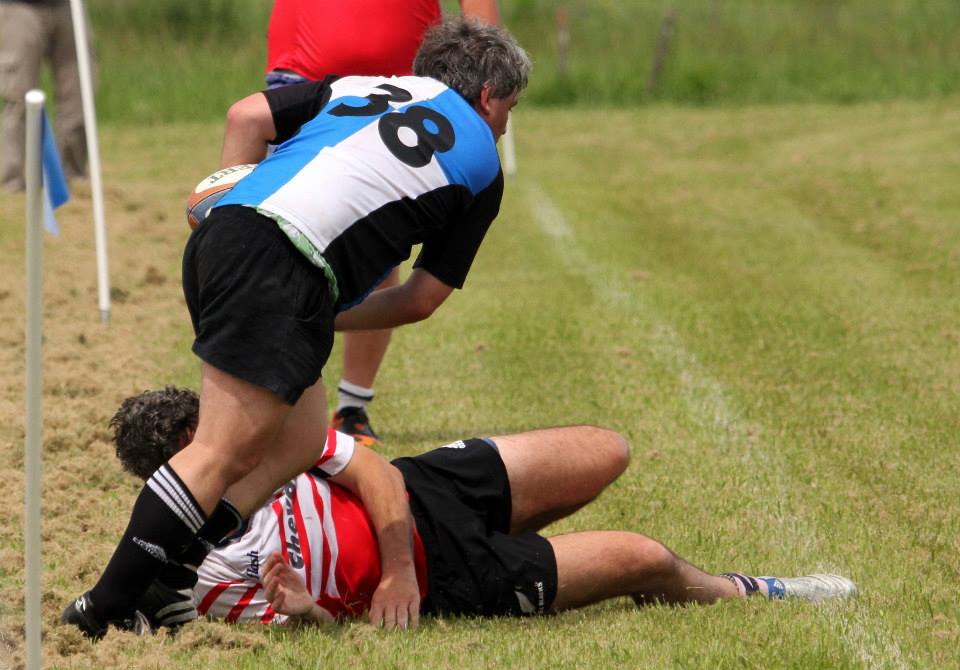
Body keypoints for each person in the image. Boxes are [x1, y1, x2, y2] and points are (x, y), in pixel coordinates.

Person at [62, 17, 532, 639]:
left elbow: (245, 117)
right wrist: (326, 315)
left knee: (302, 438)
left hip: (230, 236)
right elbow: (421, 298)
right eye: (510, 110)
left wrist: (230, 210)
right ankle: (102, 609)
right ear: (488, 97)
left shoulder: (362, 85)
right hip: (285, 263)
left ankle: (173, 578)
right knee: (224, 449)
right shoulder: (486, 167)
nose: (504, 125)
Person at [106, 387, 856, 631]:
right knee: (644, 560)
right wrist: (307, 611)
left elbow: (369, 470)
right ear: (176, 459)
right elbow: (327, 628)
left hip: (423, 489)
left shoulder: (263, 441)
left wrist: (394, 563)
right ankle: (754, 587)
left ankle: (520, 537)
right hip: (450, 578)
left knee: (607, 449)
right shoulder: (202, 577)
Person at [264, 0, 500, 447]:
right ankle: (278, 397)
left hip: (407, 86)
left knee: (375, 242)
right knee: (285, 236)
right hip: (305, 76)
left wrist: (485, 80)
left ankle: (351, 405)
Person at [0, 0, 88, 191]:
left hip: (68, 7)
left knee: (79, 97)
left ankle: (71, 176)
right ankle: (11, 182)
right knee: (19, 98)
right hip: (20, 8)